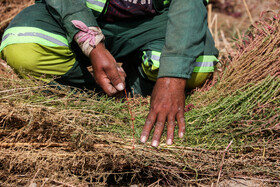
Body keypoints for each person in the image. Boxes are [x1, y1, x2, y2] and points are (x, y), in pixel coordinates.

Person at [0, 0, 219, 147]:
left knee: (200, 66)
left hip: (155, 22)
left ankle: (132, 87)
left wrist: (173, 78)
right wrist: (93, 45)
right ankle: (95, 91)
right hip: (78, 13)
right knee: (22, 44)